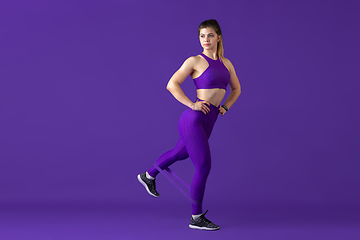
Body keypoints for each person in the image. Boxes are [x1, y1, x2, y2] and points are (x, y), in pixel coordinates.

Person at [137, 19, 241, 231]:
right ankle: (196, 217)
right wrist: (191, 104)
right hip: (193, 119)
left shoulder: (226, 63)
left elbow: (236, 89)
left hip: (210, 119)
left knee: (180, 152)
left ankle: (148, 176)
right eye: (202, 36)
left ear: (218, 37)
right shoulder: (194, 60)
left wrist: (226, 106)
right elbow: (171, 84)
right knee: (203, 166)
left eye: (210, 35)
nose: (206, 40)